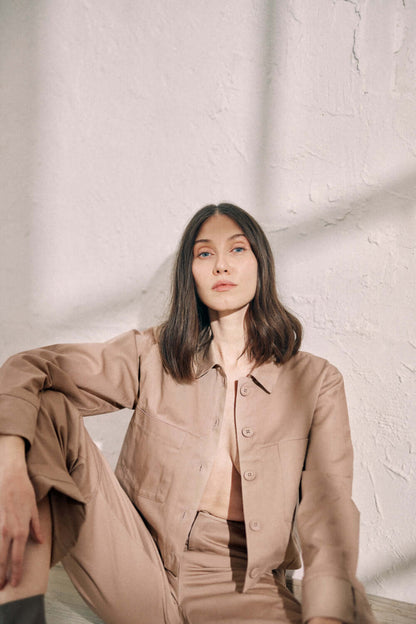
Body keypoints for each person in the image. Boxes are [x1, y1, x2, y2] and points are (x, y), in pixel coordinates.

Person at [0, 203, 377, 624]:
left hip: (239, 582)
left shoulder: (316, 382)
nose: (220, 266)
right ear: (190, 273)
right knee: (47, 407)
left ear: (261, 265)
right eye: (204, 253)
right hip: (136, 558)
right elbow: (30, 367)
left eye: (237, 250)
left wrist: (328, 616)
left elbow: (328, 507)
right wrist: (10, 465)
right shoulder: (153, 354)